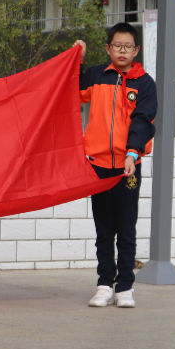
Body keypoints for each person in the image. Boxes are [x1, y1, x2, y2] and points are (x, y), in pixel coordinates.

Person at [74, 23, 157, 308]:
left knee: (127, 227)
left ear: (136, 51)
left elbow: (143, 121)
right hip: (97, 165)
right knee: (103, 229)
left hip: (127, 166)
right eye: (117, 46)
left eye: (128, 47)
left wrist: (132, 154)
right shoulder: (97, 76)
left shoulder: (144, 83)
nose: (122, 51)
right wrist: (77, 58)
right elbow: (68, 88)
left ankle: (125, 287)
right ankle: (103, 284)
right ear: (108, 48)